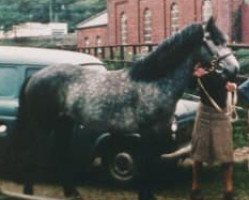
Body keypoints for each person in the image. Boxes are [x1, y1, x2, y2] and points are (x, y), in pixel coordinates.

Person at [190, 64, 238, 200]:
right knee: (198, 153)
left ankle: (228, 191)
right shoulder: (200, 61)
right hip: (204, 113)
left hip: (221, 113)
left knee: (226, 153)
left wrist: (233, 88)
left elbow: (235, 80)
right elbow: (189, 84)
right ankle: (195, 189)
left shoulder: (229, 63)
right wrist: (194, 76)